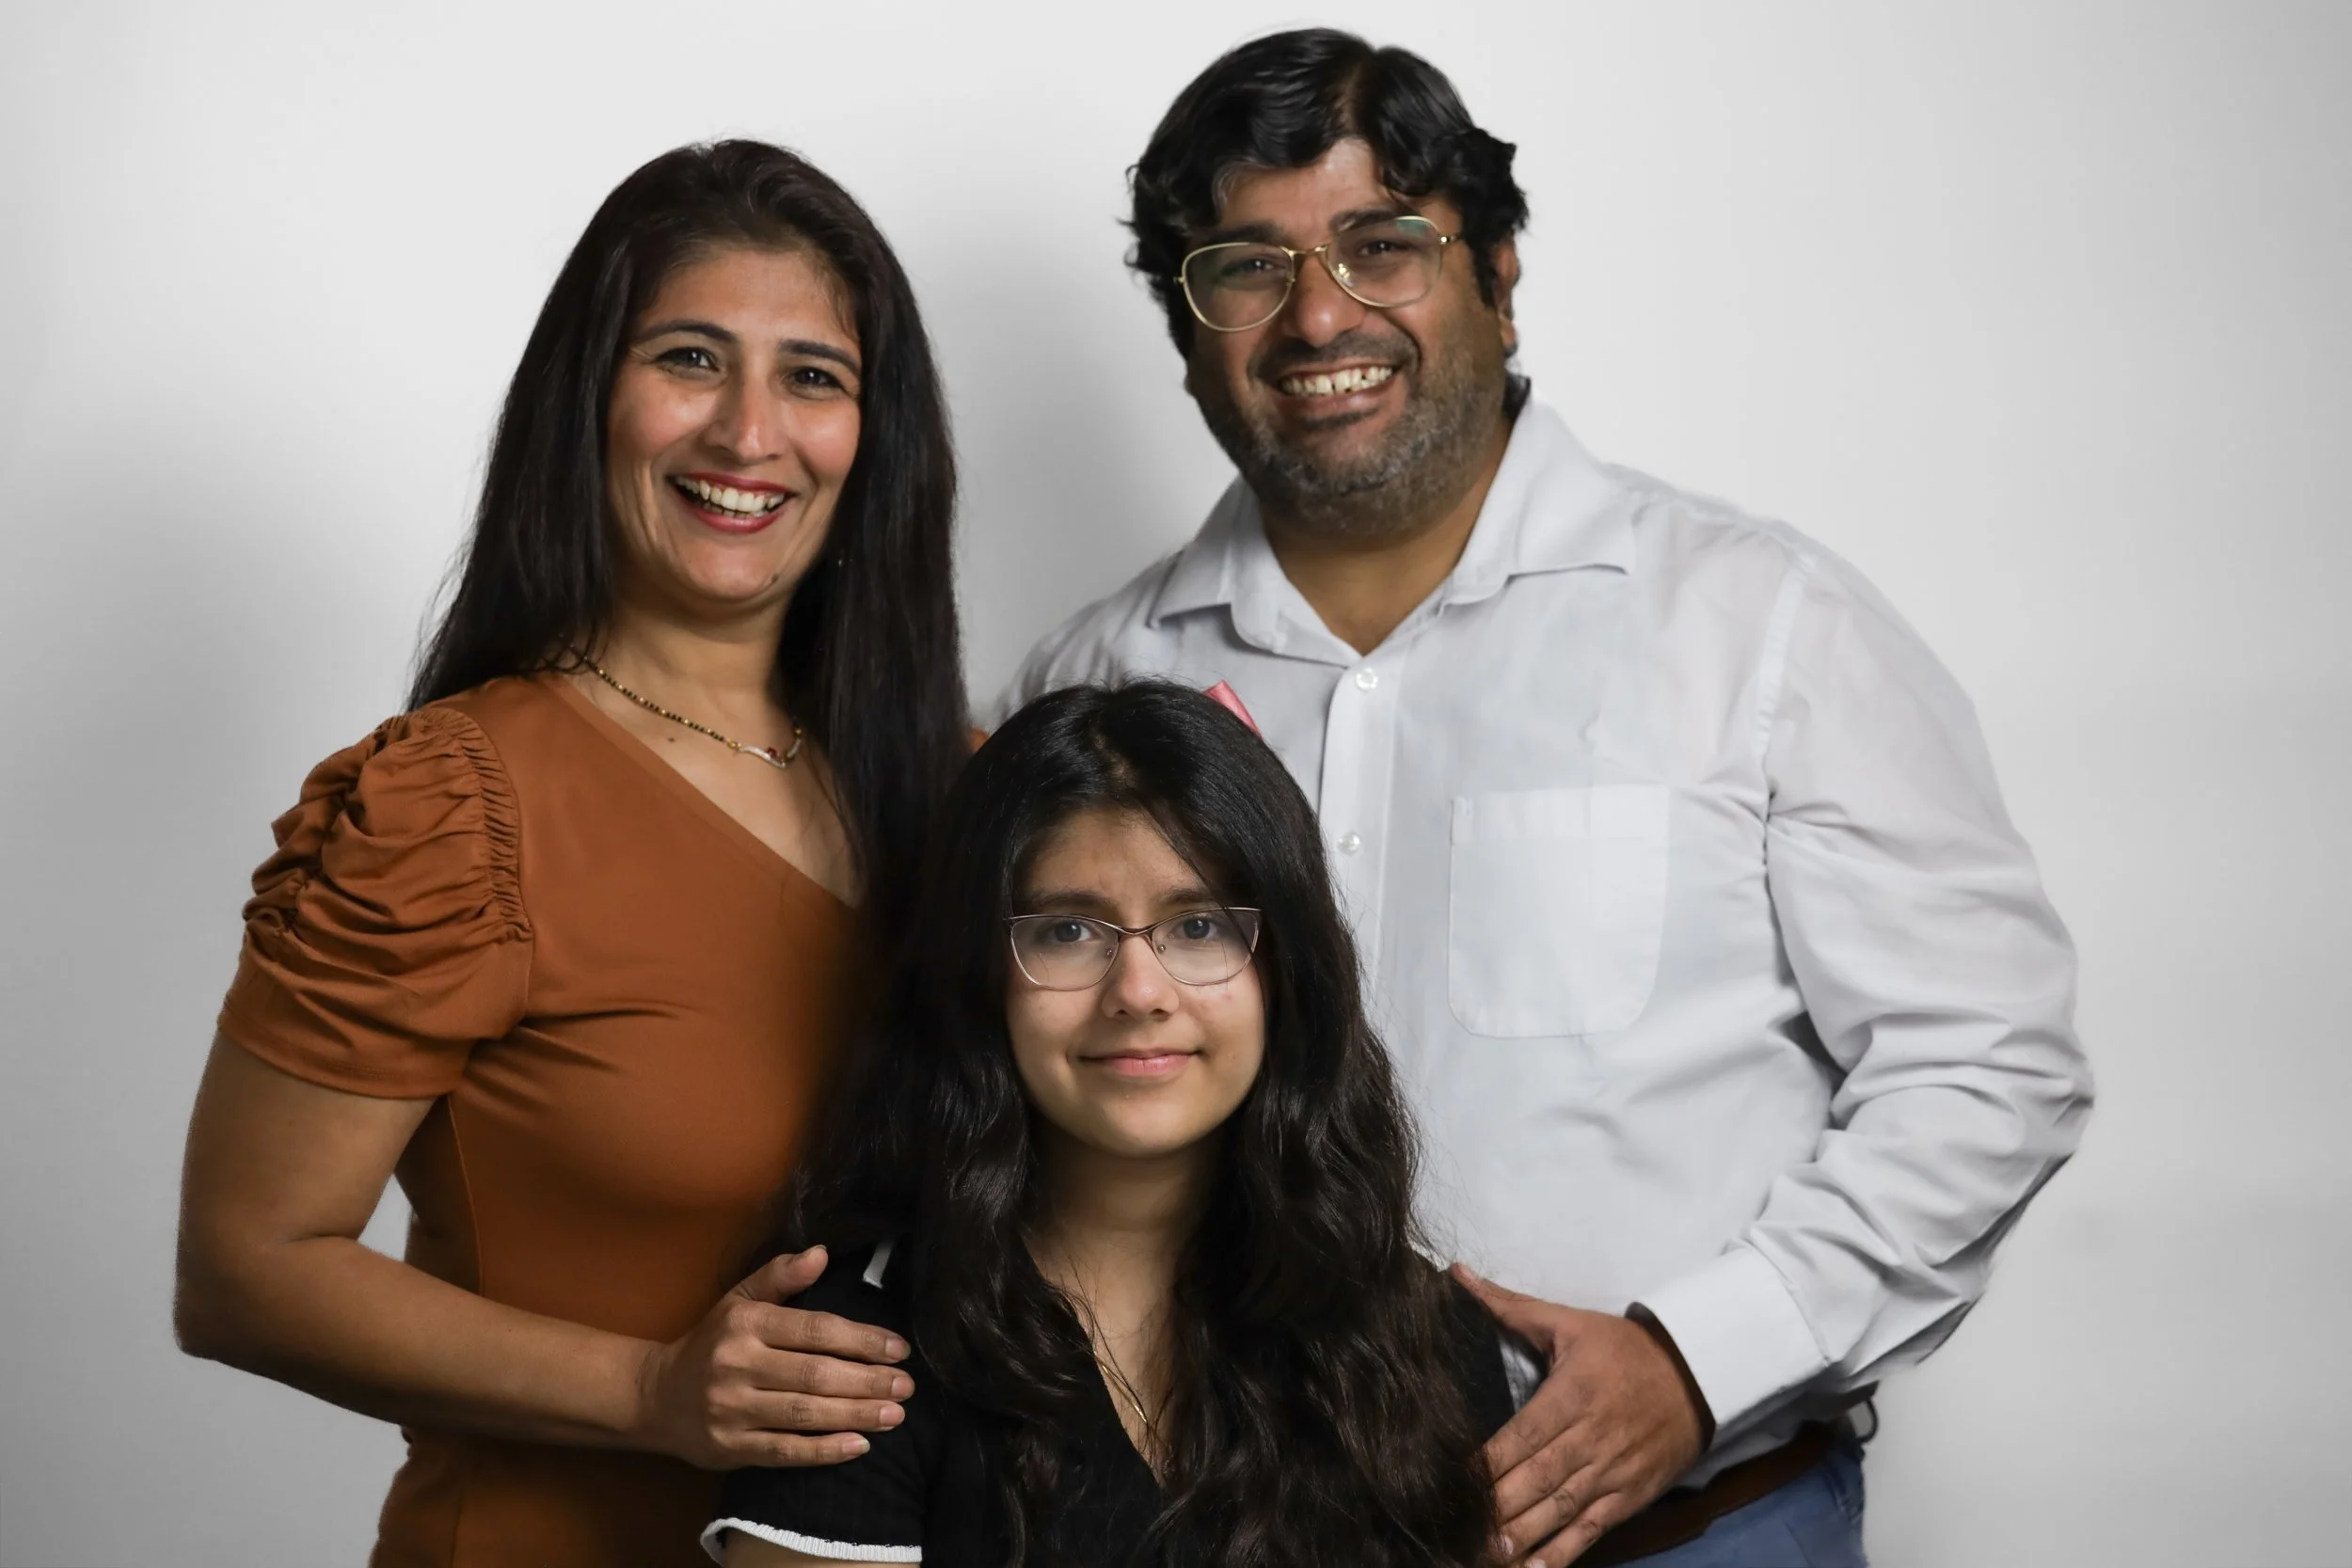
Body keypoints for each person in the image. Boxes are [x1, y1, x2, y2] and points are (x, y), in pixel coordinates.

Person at [1006, 30, 2094, 1568]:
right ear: (1184, 327)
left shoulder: (1757, 625)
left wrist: (1697, 1354)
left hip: (1693, 1533)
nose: (1319, 312)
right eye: (1244, 264)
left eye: (1382, 244)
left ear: (1500, 275)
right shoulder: (1095, 682)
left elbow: (1992, 1064)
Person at [174, 140, 967, 1568]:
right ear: (588, 398)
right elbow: (243, 1270)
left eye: (812, 375)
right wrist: (650, 1389)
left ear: (876, 434)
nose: (747, 432)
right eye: (688, 358)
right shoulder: (454, 806)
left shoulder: (947, 786)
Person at [704, 681, 1518, 1566]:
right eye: (1067, 932)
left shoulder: (1426, 1338)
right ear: (978, 973)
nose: (1138, 992)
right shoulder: (849, 1356)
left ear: (1289, 970)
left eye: (1198, 924)